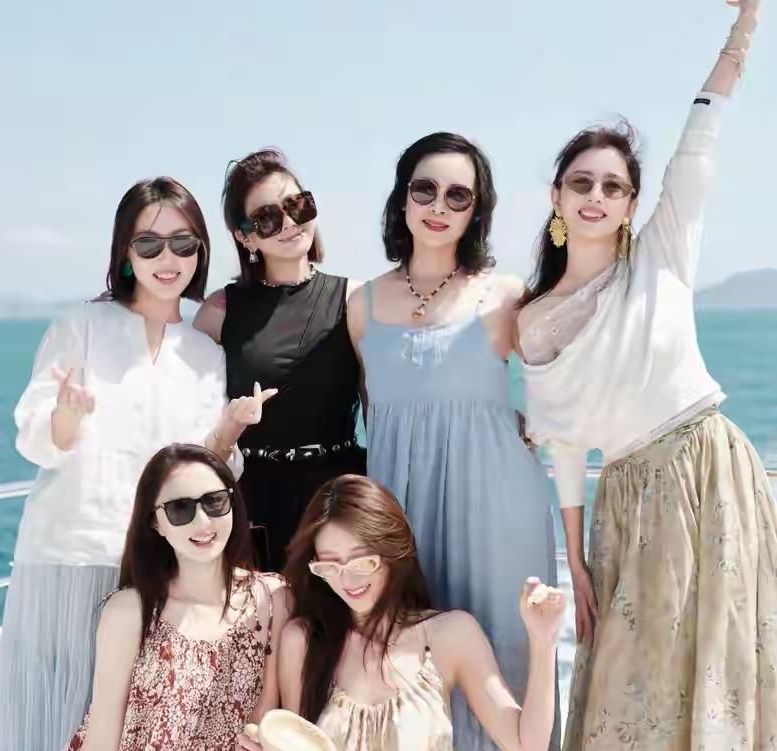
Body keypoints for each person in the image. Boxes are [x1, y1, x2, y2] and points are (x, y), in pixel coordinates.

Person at [517, 2, 777, 747]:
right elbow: (563, 444)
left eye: (613, 187)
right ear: (556, 197)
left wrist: (745, 26)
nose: (596, 197)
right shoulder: (535, 320)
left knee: (718, 670)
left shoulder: (663, 249)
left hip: (712, 472)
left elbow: (700, 137)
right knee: (629, 686)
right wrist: (574, 561)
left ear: (633, 203)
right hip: (627, 498)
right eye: (582, 183)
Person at [0, 177, 273, 750]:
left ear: (200, 251)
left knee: (130, 725)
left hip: (154, 565)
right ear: (125, 252)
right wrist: (66, 416)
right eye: (149, 244)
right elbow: (35, 434)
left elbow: (197, 467)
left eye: (183, 244)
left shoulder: (204, 353)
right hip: (71, 555)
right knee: (48, 717)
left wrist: (227, 434)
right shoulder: (80, 326)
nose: (168, 259)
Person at [346, 132, 559, 748]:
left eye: (458, 195)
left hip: (496, 508)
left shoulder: (505, 295)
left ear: (476, 210)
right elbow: (374, 409)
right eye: (425, 189)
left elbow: (561, 382)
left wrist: (536, 428)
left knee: (506, 653)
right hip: (400, 511)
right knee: (405, 665)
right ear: (402, 198)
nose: (439, 206)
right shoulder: (361, 304)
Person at [270, 474, 565, 751]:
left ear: (392, 551)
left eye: (362, 561)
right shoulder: (303, 642)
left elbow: (527, 745)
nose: (347, 580)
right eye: (330, 566)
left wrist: (544, 639)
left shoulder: (451, 634)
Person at [196, 149, 366, 572]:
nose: (289, 222)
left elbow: (383, 409)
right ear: (245, 237)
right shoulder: (218, 313)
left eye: (297, 205)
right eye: (268, 217)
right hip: (250, 504)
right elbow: (188, 414)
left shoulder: (354, 299)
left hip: (337, 503)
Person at [65, 444, 289, 750]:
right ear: (155, 523)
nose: (203, 522)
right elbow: (102, 738)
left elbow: (268, 720)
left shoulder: (272, 598)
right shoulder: (130, 611)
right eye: (180, 509)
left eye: (215, 501)